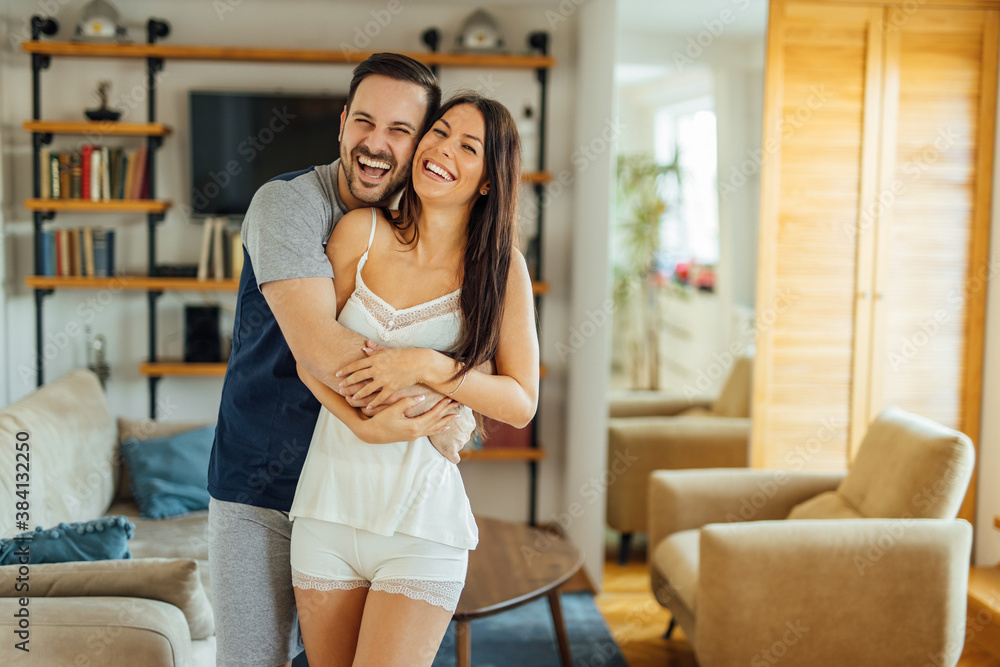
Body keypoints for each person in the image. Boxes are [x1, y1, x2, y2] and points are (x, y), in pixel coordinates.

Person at [207, 53, 475, 667]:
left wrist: (452, 385)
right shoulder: (288, 206)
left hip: (360, 491)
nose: (376, 144)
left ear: (422, 146)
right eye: (364, 121)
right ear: (342, 124)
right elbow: (328, 354)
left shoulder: (418, 230)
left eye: (401, 131)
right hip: (263, 486)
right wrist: (450, 396)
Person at [287, 93, 539, 666]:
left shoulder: (501, 270)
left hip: (421, 527)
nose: (442, 149)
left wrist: (426, 364)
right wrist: (366, 426)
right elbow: (308, 356)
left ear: (487, 180)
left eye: (467, 147)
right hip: (326, 510)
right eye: (440, 132)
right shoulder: (360, 233)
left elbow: (520, 401)